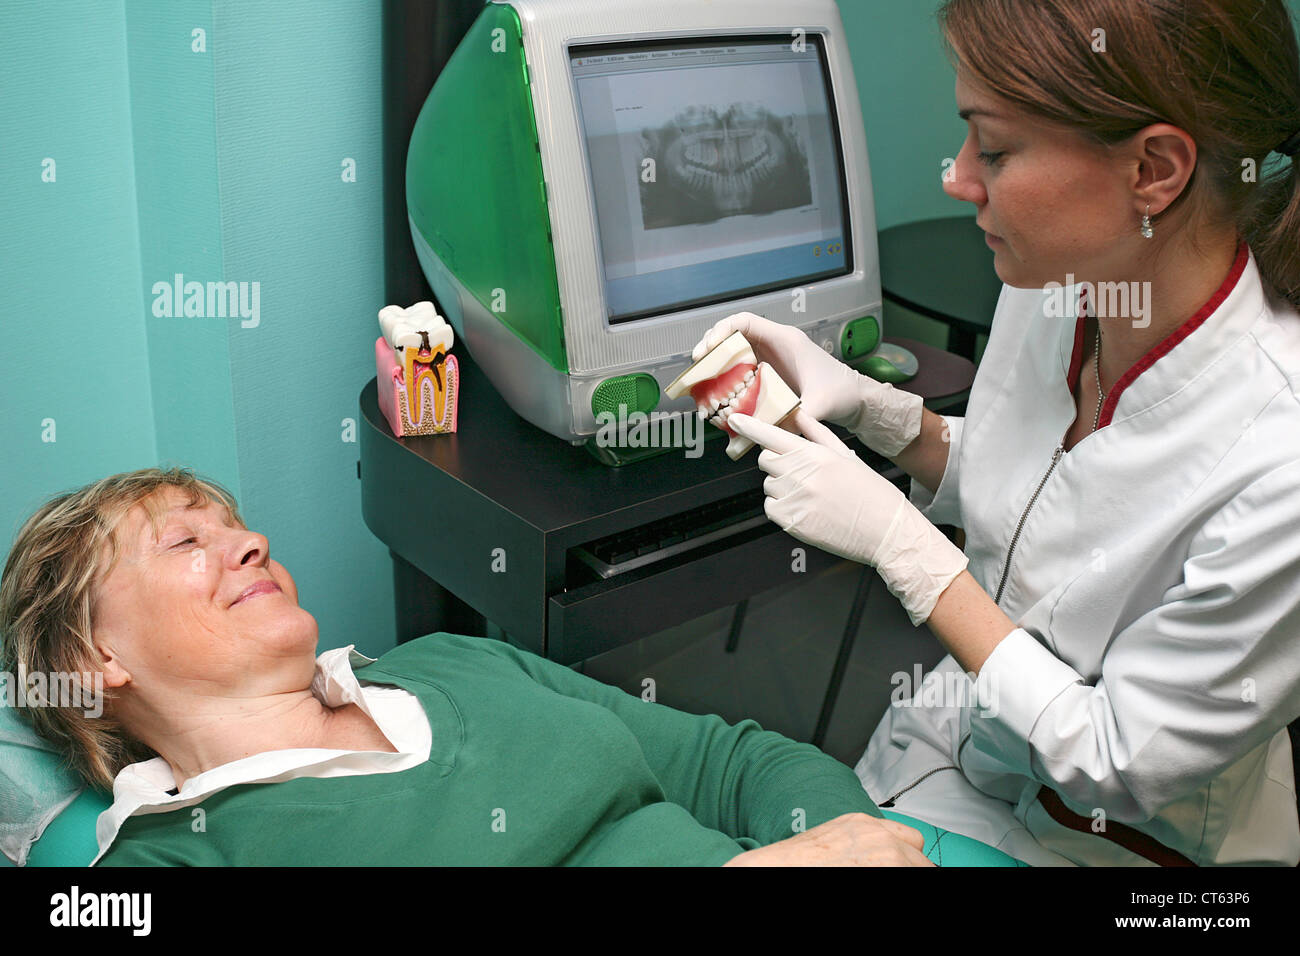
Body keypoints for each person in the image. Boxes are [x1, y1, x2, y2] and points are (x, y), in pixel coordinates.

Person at [704, 0, 1300, 865]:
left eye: (994, 147)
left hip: (1118, 841)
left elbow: (1113, 758)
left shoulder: (1278, 456)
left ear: (1155, 170)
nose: (957, 178)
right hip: (956, 751)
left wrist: (899, 545)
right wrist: (880, 413)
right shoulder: (1058, 281)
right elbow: (1044, 494)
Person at [0, 467, 944, 866]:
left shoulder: (456, 662)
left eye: (238, 525)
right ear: (95, 657)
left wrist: (842, 834)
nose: (248, 542)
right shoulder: (179, 856)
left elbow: (737, 763)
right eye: (185, 542)